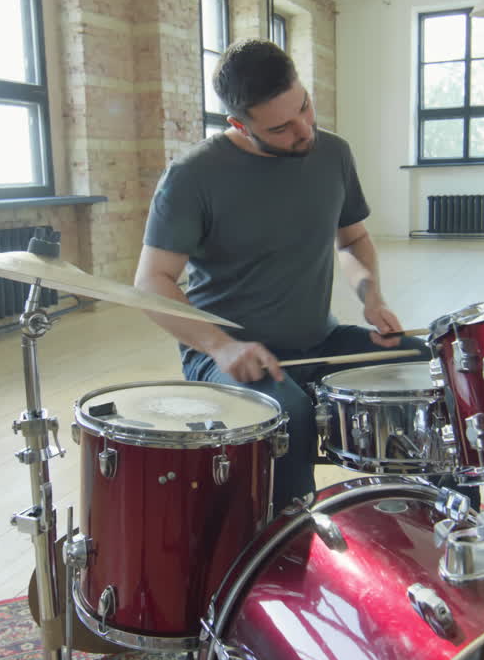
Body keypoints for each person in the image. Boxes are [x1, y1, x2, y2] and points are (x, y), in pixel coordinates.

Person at [133, 38, 428, 513]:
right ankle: (290, 546)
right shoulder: (192, 177)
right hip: (230, 356)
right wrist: (221, 346)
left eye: (304, 108)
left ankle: (444, 521)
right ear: (238, 124)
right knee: (285, 416)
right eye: (281, 127)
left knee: (432, 366)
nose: (304, 129)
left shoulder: (333, 153)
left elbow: (352, 239)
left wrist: (371, 297)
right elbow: (151, 283)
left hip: (319, 340)